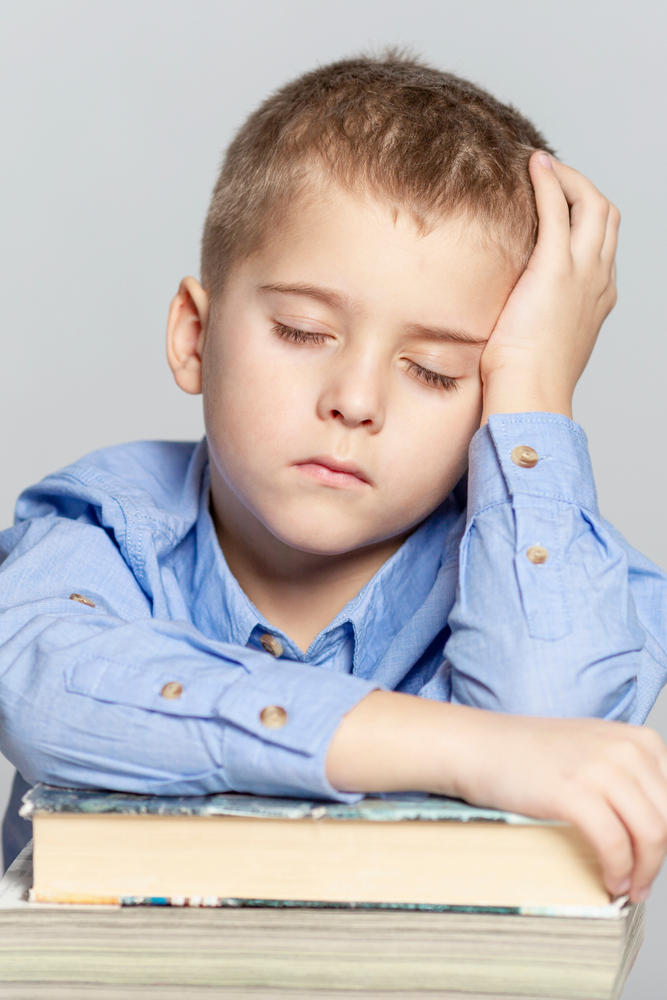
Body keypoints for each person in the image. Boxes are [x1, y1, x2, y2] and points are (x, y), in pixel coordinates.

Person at [2, 52, 667, 904]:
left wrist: (536, 383)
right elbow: (52, 691)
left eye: (433, 371)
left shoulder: (572, 581)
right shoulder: (96, 533)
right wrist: (460, 747)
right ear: (193, 337)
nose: (355, 402)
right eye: (304, 331)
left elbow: (554, 718)